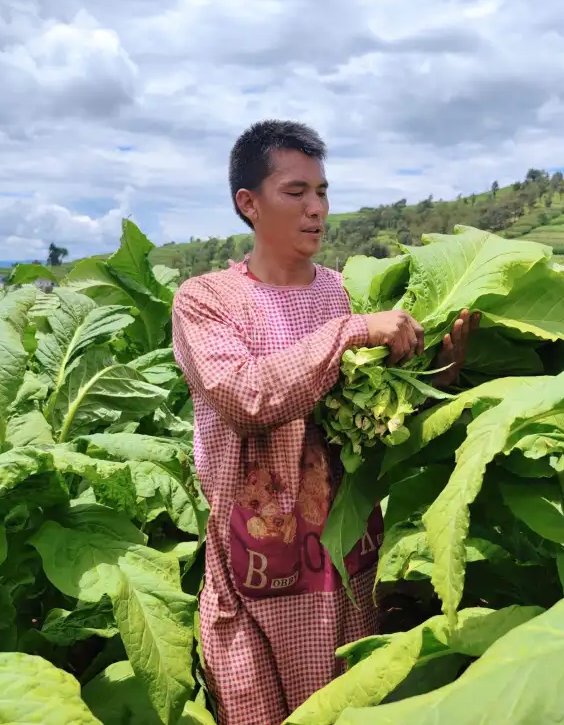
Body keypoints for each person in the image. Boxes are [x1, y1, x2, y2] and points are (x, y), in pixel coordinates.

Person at [171, 119, 477, 725]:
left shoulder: (342, 292)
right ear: (249, 203)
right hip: (256, 564)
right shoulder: (205, 299)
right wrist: (353, 331)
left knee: (346, 709)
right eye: (296, 192)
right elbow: (245, 396)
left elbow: (371, 415)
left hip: (343, 560)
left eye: (323, 192)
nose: (317, 209)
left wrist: (439, 369)